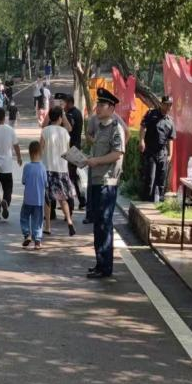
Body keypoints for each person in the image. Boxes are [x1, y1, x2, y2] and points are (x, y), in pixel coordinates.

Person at [86, 88, 125, 279]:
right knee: (98, 224)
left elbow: (117, 153)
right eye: (98, 104)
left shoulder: (116, 128)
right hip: (96, 180)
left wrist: (96, 161)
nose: (98, 108)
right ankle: (99, 262)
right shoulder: (100, 128)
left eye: (101, 105)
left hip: (106, 182)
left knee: (104, 224)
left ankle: (105, 267)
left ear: (111, 108)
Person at [40, 104, 77, 236]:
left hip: (48, 168)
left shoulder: (45, 131)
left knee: (47, 199)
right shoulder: (65, 132)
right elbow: (67, 151)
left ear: (50, 117)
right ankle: (69, 221)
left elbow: (40, 148)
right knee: (63, 198)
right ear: (60, 118)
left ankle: (48, 226)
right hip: (62, 169)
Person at [139, 94, 175, 202]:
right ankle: (146, 201)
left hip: (163, 153)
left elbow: (171, 139)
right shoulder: (151, 114)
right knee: (150, 177)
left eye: (170, 105)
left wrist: (170, 154)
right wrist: (141, 141)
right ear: (161, 104)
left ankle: (159, 200)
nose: (168, 107)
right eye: (166, 105)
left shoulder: (170, 121)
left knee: (161, 179)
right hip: (151, 151)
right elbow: (143, 127)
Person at [20, 141, 48, 250]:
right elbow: (46, 184)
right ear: (40, 152)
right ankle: (37, 242)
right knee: (38, 221)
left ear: (29, 153)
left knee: (24, 217)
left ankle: (27, 234)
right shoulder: (43, 168)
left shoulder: (27, 167)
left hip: (27, 199)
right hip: (39, 201)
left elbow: (24, 181)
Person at [63, 93, 85, 216]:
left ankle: (73, 202)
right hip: (76, 147)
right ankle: (81, 200)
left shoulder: (71, 115)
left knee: (71, 176)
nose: (63, 105)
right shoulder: (77, 113)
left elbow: (68, 129)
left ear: (70, 103)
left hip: (71, 149)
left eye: (65, 103)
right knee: (73, 175)